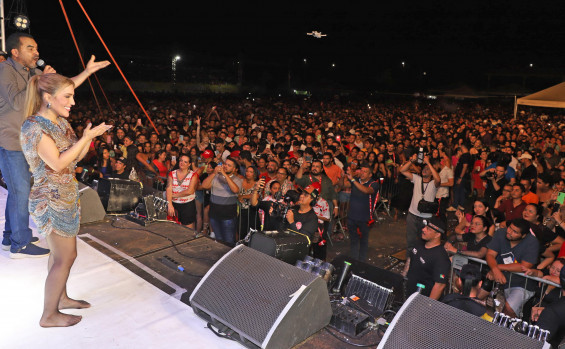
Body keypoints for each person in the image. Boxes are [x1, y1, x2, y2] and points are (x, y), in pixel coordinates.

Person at [0, 32, 110, 258]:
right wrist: (38, 81)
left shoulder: (32, 72)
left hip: (25, 142)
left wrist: (87, 72)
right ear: (15, 52)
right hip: (12, 142)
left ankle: (10, 235)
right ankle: (19, 245)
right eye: (30, 48)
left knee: (18, 191)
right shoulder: (5, 71)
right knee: (20, 192)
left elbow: (58, 89)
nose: (36, 52)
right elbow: (18, 102)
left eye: (36, 48)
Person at [20, 73, 112, 326]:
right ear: (48, 97)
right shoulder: (34, 127)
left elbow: (75, 158)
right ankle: (48, 315)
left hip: (66, 195)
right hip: (49, 198)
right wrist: (84, 138)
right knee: (66, 257)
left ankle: (61, 299)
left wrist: (88, 138)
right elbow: (58, 163)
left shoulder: (60, 122)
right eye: (68, 96)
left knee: (59, 255)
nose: (72, 102)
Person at [479, 218, 539, 318]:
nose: (509, 232)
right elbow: (490, 254)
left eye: (515, 232)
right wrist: (495, 270)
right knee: (481, 300)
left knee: (509, 308)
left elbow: (524, 266)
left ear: (523, 235)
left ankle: (509, 330)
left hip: (522, 283)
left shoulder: (532, 242)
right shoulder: (501, 233)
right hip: (502, 280)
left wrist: (497, 268)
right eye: (510, 228)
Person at [403, 216, 451, 300]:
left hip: (422, 299)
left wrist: (428, 305)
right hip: (409, 293)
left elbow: (439, 285)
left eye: (428, 229)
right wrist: (402, 278)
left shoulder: (441, 258)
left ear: (437, 234)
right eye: (425, 226)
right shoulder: (420, 242)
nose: (423, 229)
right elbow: (410, 259)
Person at [399, 154, 441, 250]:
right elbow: (402, 170)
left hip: (426, 217)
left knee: (424, 241)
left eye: (427, 169)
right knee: (410, 241)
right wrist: (412, 161)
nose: (424, 170)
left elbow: (438, 179)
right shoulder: (417, 179)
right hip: (412, 215)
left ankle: (421, 260)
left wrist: (428, 163)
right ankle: (409, 260)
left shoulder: (433, 183)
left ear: (431, 173)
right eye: (423, 169)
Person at [201, 157, 242, 244]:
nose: (225, 166)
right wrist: (214, 173)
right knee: (219, 239)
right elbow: (204, 185)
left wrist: (225, 174)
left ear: (234, 169)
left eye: (229, 165)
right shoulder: (215, 177)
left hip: (228, 216)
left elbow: (235, 190)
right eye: (225, 164)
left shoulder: (237, 179)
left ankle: (229, 257)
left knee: (229, 241)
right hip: (214, 215)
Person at [343, 163, 379, 262]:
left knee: (363, 241)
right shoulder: (356, 181)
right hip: (352, 217)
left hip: (364, 219)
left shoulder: (374, 184)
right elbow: (343, 185)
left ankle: (362, 262)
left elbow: (367, 191)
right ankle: (354, 260)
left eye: (365, 172)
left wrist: (353, 179)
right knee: (353, 240)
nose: (362, 173)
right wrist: (344, 176)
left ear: (370, 175)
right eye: (361, 171)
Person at [166, 154, 198, 229]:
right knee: (173, 228)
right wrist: (169, 204)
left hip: (187, 205)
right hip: (174, 204)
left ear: (189, 164)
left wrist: (173, 196)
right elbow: (168, 188)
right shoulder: (172, 173)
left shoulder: (193, 175)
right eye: (181, 160)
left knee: (188, 229)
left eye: (185, 162)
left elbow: (190, 191)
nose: (182, 163)